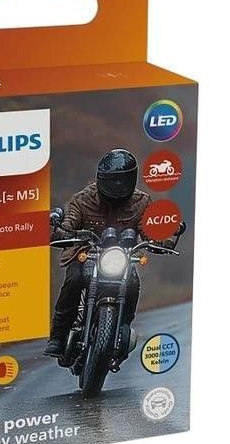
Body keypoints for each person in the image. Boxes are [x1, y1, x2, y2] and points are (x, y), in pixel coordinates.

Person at [43, 148, 177, 357]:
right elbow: (68, 225)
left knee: (133, 284)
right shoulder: (83, 199)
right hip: (87, 253)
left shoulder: (142, 202)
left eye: (122, 181)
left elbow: (150, 230)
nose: (117, 186)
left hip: (121, 258)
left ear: (131, 179)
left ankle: (121, 331)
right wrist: (58, 230)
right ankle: (58, 337)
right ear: (100, 178)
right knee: (74, 280)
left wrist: (166, 236)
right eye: (112, 181)